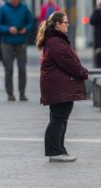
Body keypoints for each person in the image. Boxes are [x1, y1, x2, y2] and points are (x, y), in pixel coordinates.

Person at [36, 11, 88, 162]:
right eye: (65, 22)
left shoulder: (56, 40)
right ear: (57, 24)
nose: (68, 25)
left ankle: (59, 150)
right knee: (58, 119)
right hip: (58, 87)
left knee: (60, 118)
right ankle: (55, 151)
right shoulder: (55, 42)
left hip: (58, 86)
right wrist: (82, 72)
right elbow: (68, 62)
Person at [0, 0, 34, 101]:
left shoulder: (24, 8)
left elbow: (31, 22)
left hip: (21, 42)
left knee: (22, 68)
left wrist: (26, 29)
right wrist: (8, 29)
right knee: (9, 69)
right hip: (7, 42)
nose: (16, 1)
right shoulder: (4, 9)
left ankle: (22, 93)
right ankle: (10, 94)